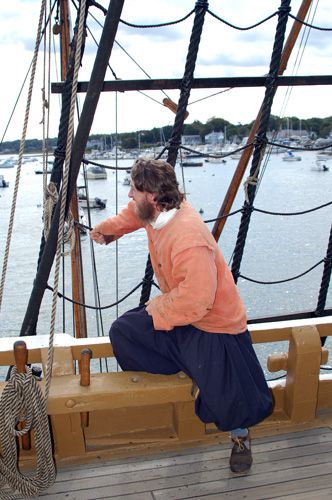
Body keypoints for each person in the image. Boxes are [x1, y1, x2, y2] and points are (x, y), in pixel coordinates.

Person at [90, 158, 273, 473]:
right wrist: (108, 231)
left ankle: (240, 436)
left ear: (151, 196)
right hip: (180, 309)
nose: (130, 195)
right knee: (124, 332)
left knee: (231, 402)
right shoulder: (157, 210)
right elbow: (133, 215)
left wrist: (158, 308)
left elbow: (197, 301)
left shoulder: (188, 236)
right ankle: (193, 369)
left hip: (213, 323)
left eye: (134, 190)